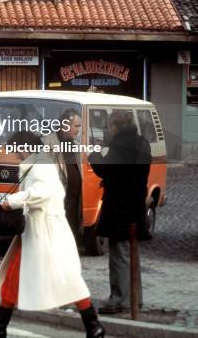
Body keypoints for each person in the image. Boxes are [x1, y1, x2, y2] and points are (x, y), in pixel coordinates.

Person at [0, 130, 105, 338]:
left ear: (25, 147)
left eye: (16, 150)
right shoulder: (38, 163)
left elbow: (44, 193)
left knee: (67, 279)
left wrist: (12, 201)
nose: (15, 155)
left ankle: (93, 325)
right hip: (40, 231)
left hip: (46, 232)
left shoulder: (40, 165)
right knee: (21, 277)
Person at [88, 110, 152, 314]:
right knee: (131, 254)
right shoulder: (142, 142)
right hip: (134, 205)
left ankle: (120, 299)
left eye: (109, 126)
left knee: (119, 254)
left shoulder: (120, 144)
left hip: (119, 207)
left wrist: (95, 153)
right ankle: (135, 297)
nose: (108, 130)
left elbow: (106, 169)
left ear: (115, 127)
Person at [45, 108, 83, 240]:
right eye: (76, 126)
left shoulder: (76, 146)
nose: (78, 130)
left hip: (74, 205)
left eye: (79, 126)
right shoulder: (48, 143)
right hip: (57, 204)